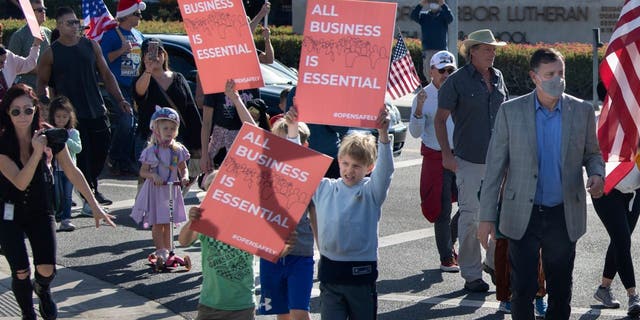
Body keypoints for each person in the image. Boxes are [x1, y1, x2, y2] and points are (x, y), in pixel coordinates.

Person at [477, 48, 605, 319]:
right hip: (522, 213)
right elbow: (495, 168)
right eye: (550, 74)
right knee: (522, 289)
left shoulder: (581, 110)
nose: (557, 79)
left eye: (561, 73)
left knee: (560, 291)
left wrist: (596, 174)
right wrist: (486, 216)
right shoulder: (511, 111)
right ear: (534, 77)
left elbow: (593, 153)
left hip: (563, 213)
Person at [0, 84, 115, 320]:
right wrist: (36, 152)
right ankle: (28, 314)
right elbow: (20, 182)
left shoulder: (49, 134)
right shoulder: (3, 142)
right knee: (20, 271)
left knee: (47, 269)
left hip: (41, 209)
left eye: (28, 110)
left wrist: (93, 205)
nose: (23, 116)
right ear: (7, 113)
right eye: (16, 111)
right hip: (8, 211)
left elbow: (72, 171)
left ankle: (42, 289)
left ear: (36, 110)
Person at [287, 105, 393, 319]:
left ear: (369, 168)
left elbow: (386, 170)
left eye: (356, 166)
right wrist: (292, 130)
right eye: (345, 163)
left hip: (361, 276)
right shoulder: (324, 187)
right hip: (330, 274)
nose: (349, 170)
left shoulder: (371, 191)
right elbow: (297, 169)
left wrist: (383, 135)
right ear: (338, 160)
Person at [434, 28, 508, 292]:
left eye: (494, 49)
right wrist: (446, 154)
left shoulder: (498, 77)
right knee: (471, 218)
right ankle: (471, 274)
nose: (492, 53)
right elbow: (440, 119)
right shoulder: (457, 81)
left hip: (499, 160)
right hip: (469, 160)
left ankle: (492, 263)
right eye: (487, 49)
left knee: (499, 217)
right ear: (472, 51)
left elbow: (504, 118)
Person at [36, 6, 132, 208]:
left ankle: (89, 187)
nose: (74, 26)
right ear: (59, 25)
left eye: (76, 22)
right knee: (82, 153)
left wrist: (120, 99)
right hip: (69, 115)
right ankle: (90, 194)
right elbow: (42, 83)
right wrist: (46, 105)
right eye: (70, 23)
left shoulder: (90, 46)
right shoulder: (51, 53)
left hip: (96, 108)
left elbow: (107, 75)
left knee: (101, 149)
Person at [258, 117, 316, 320]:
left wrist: (323, 249)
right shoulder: (265, 173)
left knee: (299, 313)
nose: (281, 148)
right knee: (281, 313)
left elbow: (314, 214)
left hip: (300, 253)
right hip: (271, 253)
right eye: (277, 143)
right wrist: (237, 100)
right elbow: (253, 136)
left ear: (303, 145)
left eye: (286, 142)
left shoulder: (307, 175)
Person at [409, 50, 458, 272]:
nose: (446, 74)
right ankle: (446, 256)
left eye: (451, 70)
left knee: (471, 205)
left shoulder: (460, 91)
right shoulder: (423, 96)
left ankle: (451, 242)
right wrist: (419, 109)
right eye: (442, 70)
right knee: (442, 209)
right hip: (436, 158)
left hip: (461, 156)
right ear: (432, 71)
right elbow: (415, 132)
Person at [133, 38, 202, 181]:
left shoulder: (178, 79)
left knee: (174, 183)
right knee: (150, 184)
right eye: (150, 53)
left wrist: (198, 143)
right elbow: (139, 93)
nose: (156, 56)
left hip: (177, 140)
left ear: (164, 55)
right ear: (143, 57)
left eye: (159, 52)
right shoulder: (142, 79)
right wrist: (148, 71)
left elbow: (191, 110)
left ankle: (171, 204)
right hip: (150, 141)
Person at [131, 107, 189, 264]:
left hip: (171, 190)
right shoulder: (151, 151)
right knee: (158, 222)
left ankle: (170, 251)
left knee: (168, 222)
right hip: (156, 191)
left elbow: (184, 169)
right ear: (156, 129)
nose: (169, 131)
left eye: (172, 128)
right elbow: (143, 172)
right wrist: (153, 175)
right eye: (165, 128)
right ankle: (160, 250)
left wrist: (184, 177)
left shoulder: (178, 150)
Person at [100, 0, 146, 176]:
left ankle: (125, 161)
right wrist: (121, 50)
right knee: (126, 121)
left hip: (135, 85)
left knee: (134, 124)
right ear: (126, 15)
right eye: (137, 14)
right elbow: (103, 60)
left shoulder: (139, 35)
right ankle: (114, 156)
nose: (140, 17)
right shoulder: (112, 35)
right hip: (117, 86)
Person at [591, 173, 640, 313]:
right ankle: (633, 295)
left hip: (635, 191)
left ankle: (604, 288)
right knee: (622, 241)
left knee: (619, 241)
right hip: (607, 188)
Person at [285, 86, 349, 178]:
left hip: (330, 158)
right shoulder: (296, 91)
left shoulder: (334, 93)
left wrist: (324, 109)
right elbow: (288, 126)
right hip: (303, 159)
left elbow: (343, 129)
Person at [49, 95, 82, 232]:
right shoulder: (50, 131)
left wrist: (65, 139)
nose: (61, 119)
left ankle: (66, 219)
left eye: (64, 116)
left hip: (69, 170)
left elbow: (78, 148)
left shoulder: (73, 132)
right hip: (55, 168)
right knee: (56, 194)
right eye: (58, 116)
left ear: (70, 117)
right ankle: (57, 216)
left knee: (68, 195)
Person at [8, 0, 51, 89]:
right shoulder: (18, 36)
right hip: (28, 91)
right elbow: (10, 65)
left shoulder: (48, 32)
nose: (43, 12)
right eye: (39, 10)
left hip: (47, 88)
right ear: (30, 13)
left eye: (44, 9)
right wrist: (39, 70)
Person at [410, 0, 453, 82]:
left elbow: (450, 19)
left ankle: (442, 91)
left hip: (441, 49)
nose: (434, 3)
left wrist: (443, 5)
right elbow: (413, 16)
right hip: (428, 50)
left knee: (442, 71)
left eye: (436, 2)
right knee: (428, 72)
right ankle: (431, 90)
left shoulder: (443, 16)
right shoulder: (424, 16)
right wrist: (421, 4)